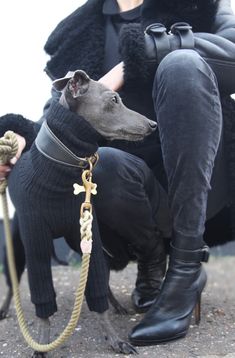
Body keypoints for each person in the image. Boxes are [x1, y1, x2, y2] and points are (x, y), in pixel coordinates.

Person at [1, 0, 235, 346]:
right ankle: (152, 259)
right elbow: (59, 117)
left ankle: (185, 270)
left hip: (198, 185)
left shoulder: (202, 5)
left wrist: (138, 56)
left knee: (182, 63)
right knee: (102, 162)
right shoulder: (76, 31)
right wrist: (18, 137)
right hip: (119, 198)